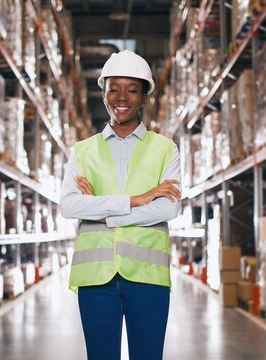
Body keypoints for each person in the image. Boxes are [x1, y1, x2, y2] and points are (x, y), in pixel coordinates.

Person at [60, 49, 181, 360]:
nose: (121, 97)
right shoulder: (83, 151)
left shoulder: (165, 149)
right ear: (103, 94)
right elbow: (70, 206)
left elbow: (168, 209)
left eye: (131, 89)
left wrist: (102, 213)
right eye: (113, 88)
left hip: (147, 278)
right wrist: (136, 200)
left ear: (143, 97)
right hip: (95, 279)